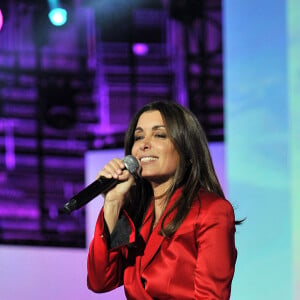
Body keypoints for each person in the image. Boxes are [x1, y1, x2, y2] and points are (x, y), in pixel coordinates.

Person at [87, 100, 237, 299]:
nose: (144, 145)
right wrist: (113, 203)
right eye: (138, 136)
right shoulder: (134, 214)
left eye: (159, 135)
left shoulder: (212, 211)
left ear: (187, 150)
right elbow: (100, 281)